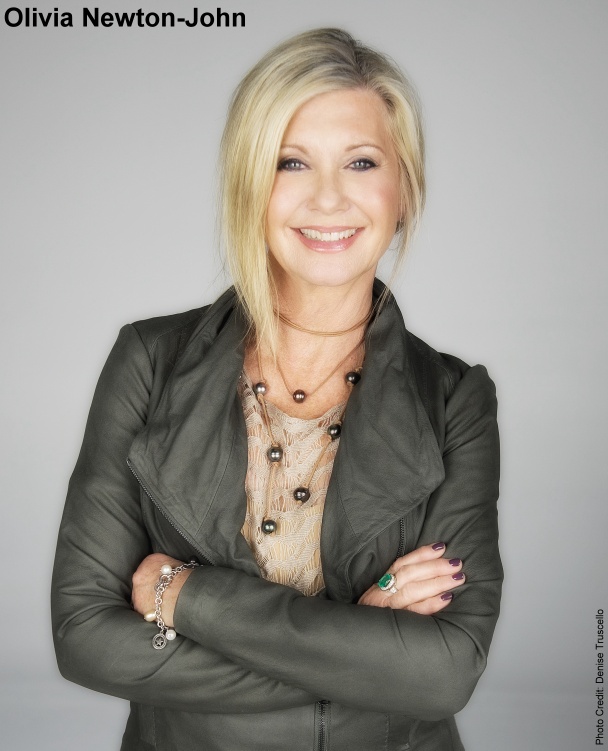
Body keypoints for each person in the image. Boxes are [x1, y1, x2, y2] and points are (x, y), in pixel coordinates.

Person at [51, 27, 502, 751]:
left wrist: (188, 595)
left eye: (361, 161)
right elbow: (86, 637)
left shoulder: (456, 401)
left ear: (404, 191)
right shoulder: (148, 362)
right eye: (292, 162)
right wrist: (362, 637)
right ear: (249, 185)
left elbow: (445, 673)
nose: (328, 197)